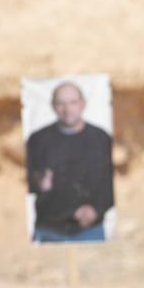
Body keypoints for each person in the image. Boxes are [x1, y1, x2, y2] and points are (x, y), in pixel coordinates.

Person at [25, 81, 114, 242]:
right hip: (48, 231)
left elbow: (114, 182)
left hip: (90, 231)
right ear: (53, 106)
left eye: (73, 102)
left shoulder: (101, 138)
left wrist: (96, 209)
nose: (67, 109)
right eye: (61, 103)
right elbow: (17, 181)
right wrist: (38, 182)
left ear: (83, 104)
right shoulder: (37, 139)